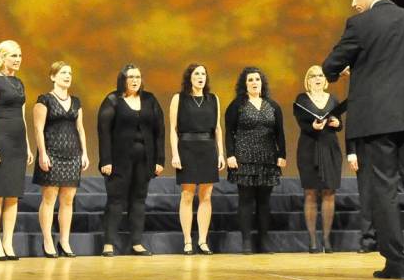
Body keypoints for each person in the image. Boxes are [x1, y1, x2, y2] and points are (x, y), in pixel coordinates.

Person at [321, 0, 404, 280]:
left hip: (376, 120)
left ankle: (396, 264)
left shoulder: (360, 24)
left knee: (384, 189)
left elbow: (330, 66)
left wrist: (352, 69)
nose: (353, 3)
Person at [97, 64, 164, 257]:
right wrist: (106, 160)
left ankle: (137, 243)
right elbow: (104, 132)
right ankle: (109, 244)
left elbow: (159, 131)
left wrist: (159, 159)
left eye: (138, 77)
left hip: (145, 159)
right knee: (115, 200)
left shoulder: (150, 99)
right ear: (123, 80)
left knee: (139, 199)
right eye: (131, 77)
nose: (135, 80)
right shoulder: (113, 100)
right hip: (118, 161)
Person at [226, 67, 286, 255]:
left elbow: (280, 133)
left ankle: (263, 241)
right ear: (244, 84)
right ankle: (246, 242)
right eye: (250, 80)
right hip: (244, 158)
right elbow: (229, 132)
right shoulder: (237, 105)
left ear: (262, 83)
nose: (254, 82)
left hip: (268, 158)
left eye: (257, 79)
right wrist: (230, 155)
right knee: (245, 200)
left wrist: (282, 155)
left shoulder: (273, 105)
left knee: (264, 202)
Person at [0, 40, 31, 260]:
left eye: (19, 56)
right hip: (1, 140)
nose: (18, 60)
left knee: (13, 195)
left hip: (18, 142)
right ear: (2, 58)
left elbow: (22, 116)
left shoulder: (19, 83)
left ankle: (8, 242)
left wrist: (27, 145)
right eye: (13, 56)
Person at [32, 61, 88, 258]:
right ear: (53, 76)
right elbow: (38, 129)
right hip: (52, 153)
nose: (67, 76)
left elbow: (80, 129)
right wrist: (43, 153)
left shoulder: (76, 102)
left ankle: (64, 241)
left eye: (70, 73)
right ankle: (48, 240)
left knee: (68, 200)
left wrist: (84, 153)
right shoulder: (45, 99)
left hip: (72, 154)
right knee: (49, 198)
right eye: (63, 72)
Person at [169, 63, 224, 256]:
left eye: (203, 74)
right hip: (187, 148)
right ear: (189, 77)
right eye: (196, 74)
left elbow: (217, 128)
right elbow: (173, 129)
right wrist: (175, 154)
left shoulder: (213, 99)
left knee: (206, 196)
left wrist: (221, 153)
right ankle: (187, 241)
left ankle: (202, 240)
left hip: (208, 149)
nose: (200, 77)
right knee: (187, 195)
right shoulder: (179, 98)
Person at [293, 65, 342, 253]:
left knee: (329, 192)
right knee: (311, 192)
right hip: (309, 148)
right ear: (308, 80)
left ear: (325, 79)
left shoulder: (333, 99)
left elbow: (338, 122)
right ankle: (313, 240)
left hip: (329, 147)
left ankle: (327, 240)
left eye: (320, 75)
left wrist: (337, 123)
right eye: (313, 76)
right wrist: (312, 126)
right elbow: (301, 122)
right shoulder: (302, 99)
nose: (317, 78)